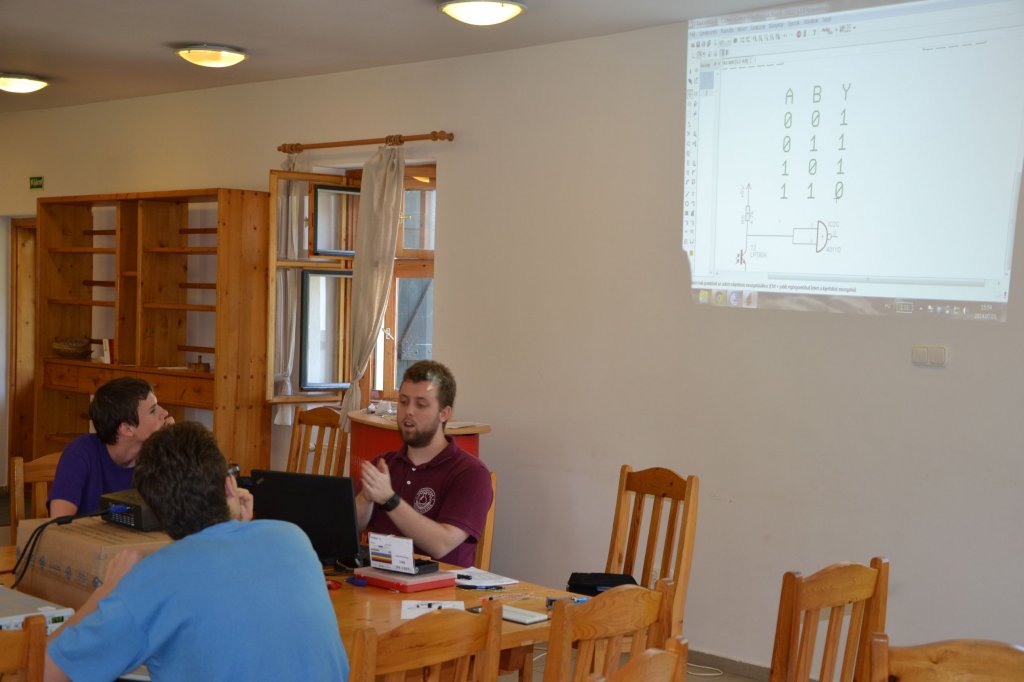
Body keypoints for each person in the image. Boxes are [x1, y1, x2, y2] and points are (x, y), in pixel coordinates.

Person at [44, 421, 349, 682]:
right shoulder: (292, 538)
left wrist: (106, 592)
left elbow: (44, 671)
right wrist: (239, 527)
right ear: (229, 486)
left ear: (156, 511)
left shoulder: (153, 580)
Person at [357, 360, 492, 567]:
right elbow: (349, 530)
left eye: (421, 404)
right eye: (403, 402)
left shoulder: (471, 473)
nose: (409, 411)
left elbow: (441, 544)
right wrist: (365, 499)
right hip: (379, 577)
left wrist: (389, 499)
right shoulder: (385, 464)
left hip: (442, 585)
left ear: (444, 414)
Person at [49, 376, 174, 517]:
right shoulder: (79, 453)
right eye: (153, 410)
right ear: (127, 429)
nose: (165, 412)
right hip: (86, 532)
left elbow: (181, 514)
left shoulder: (159, 455)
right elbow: (59, 521)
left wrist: (174, 446)